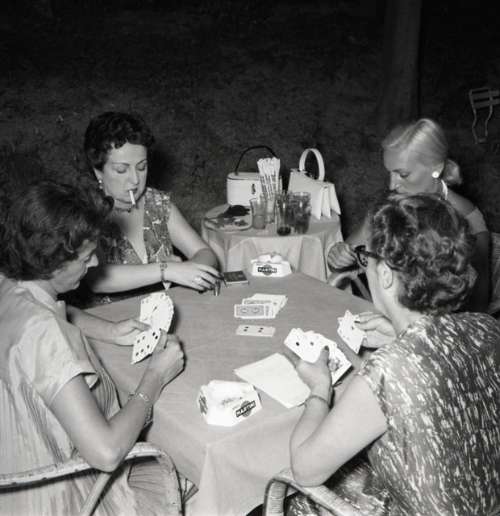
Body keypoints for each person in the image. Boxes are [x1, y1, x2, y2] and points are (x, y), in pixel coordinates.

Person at [289, 194, 500, 515]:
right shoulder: (486, 327)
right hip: (484, 502)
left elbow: (305, 470)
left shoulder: (389, 370)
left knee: (295, 500)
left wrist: (319, 387)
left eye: (367, 257)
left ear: (385, 274)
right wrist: (400, 334)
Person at [0, 180, 185, 515]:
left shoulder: (9, 284)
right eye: (86, 257)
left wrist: (109, 330)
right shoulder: (45, 335)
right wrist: (155, 376)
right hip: (62, 499)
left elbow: (46, 310)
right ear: (52, 263)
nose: (96, 263)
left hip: (11, 476)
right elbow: (107, 452)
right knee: (193, 478)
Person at [327, 118, 490, 311]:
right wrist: (339, 257)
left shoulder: (466, 220)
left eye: (403, 174)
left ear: (436, 168)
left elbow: (478, 303)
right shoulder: (389, 205)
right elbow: (347, 256)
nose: (392, 185)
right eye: (389, 173)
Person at [83, 111, 220, 301]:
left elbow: (205, 253)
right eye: (121, 170)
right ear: (98, 171)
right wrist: (167, 270)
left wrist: (190, 270)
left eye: (141, 167)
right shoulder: (86, 212)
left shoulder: (157, 204)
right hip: (111, 317)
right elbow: (97, 279)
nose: (135, 179)